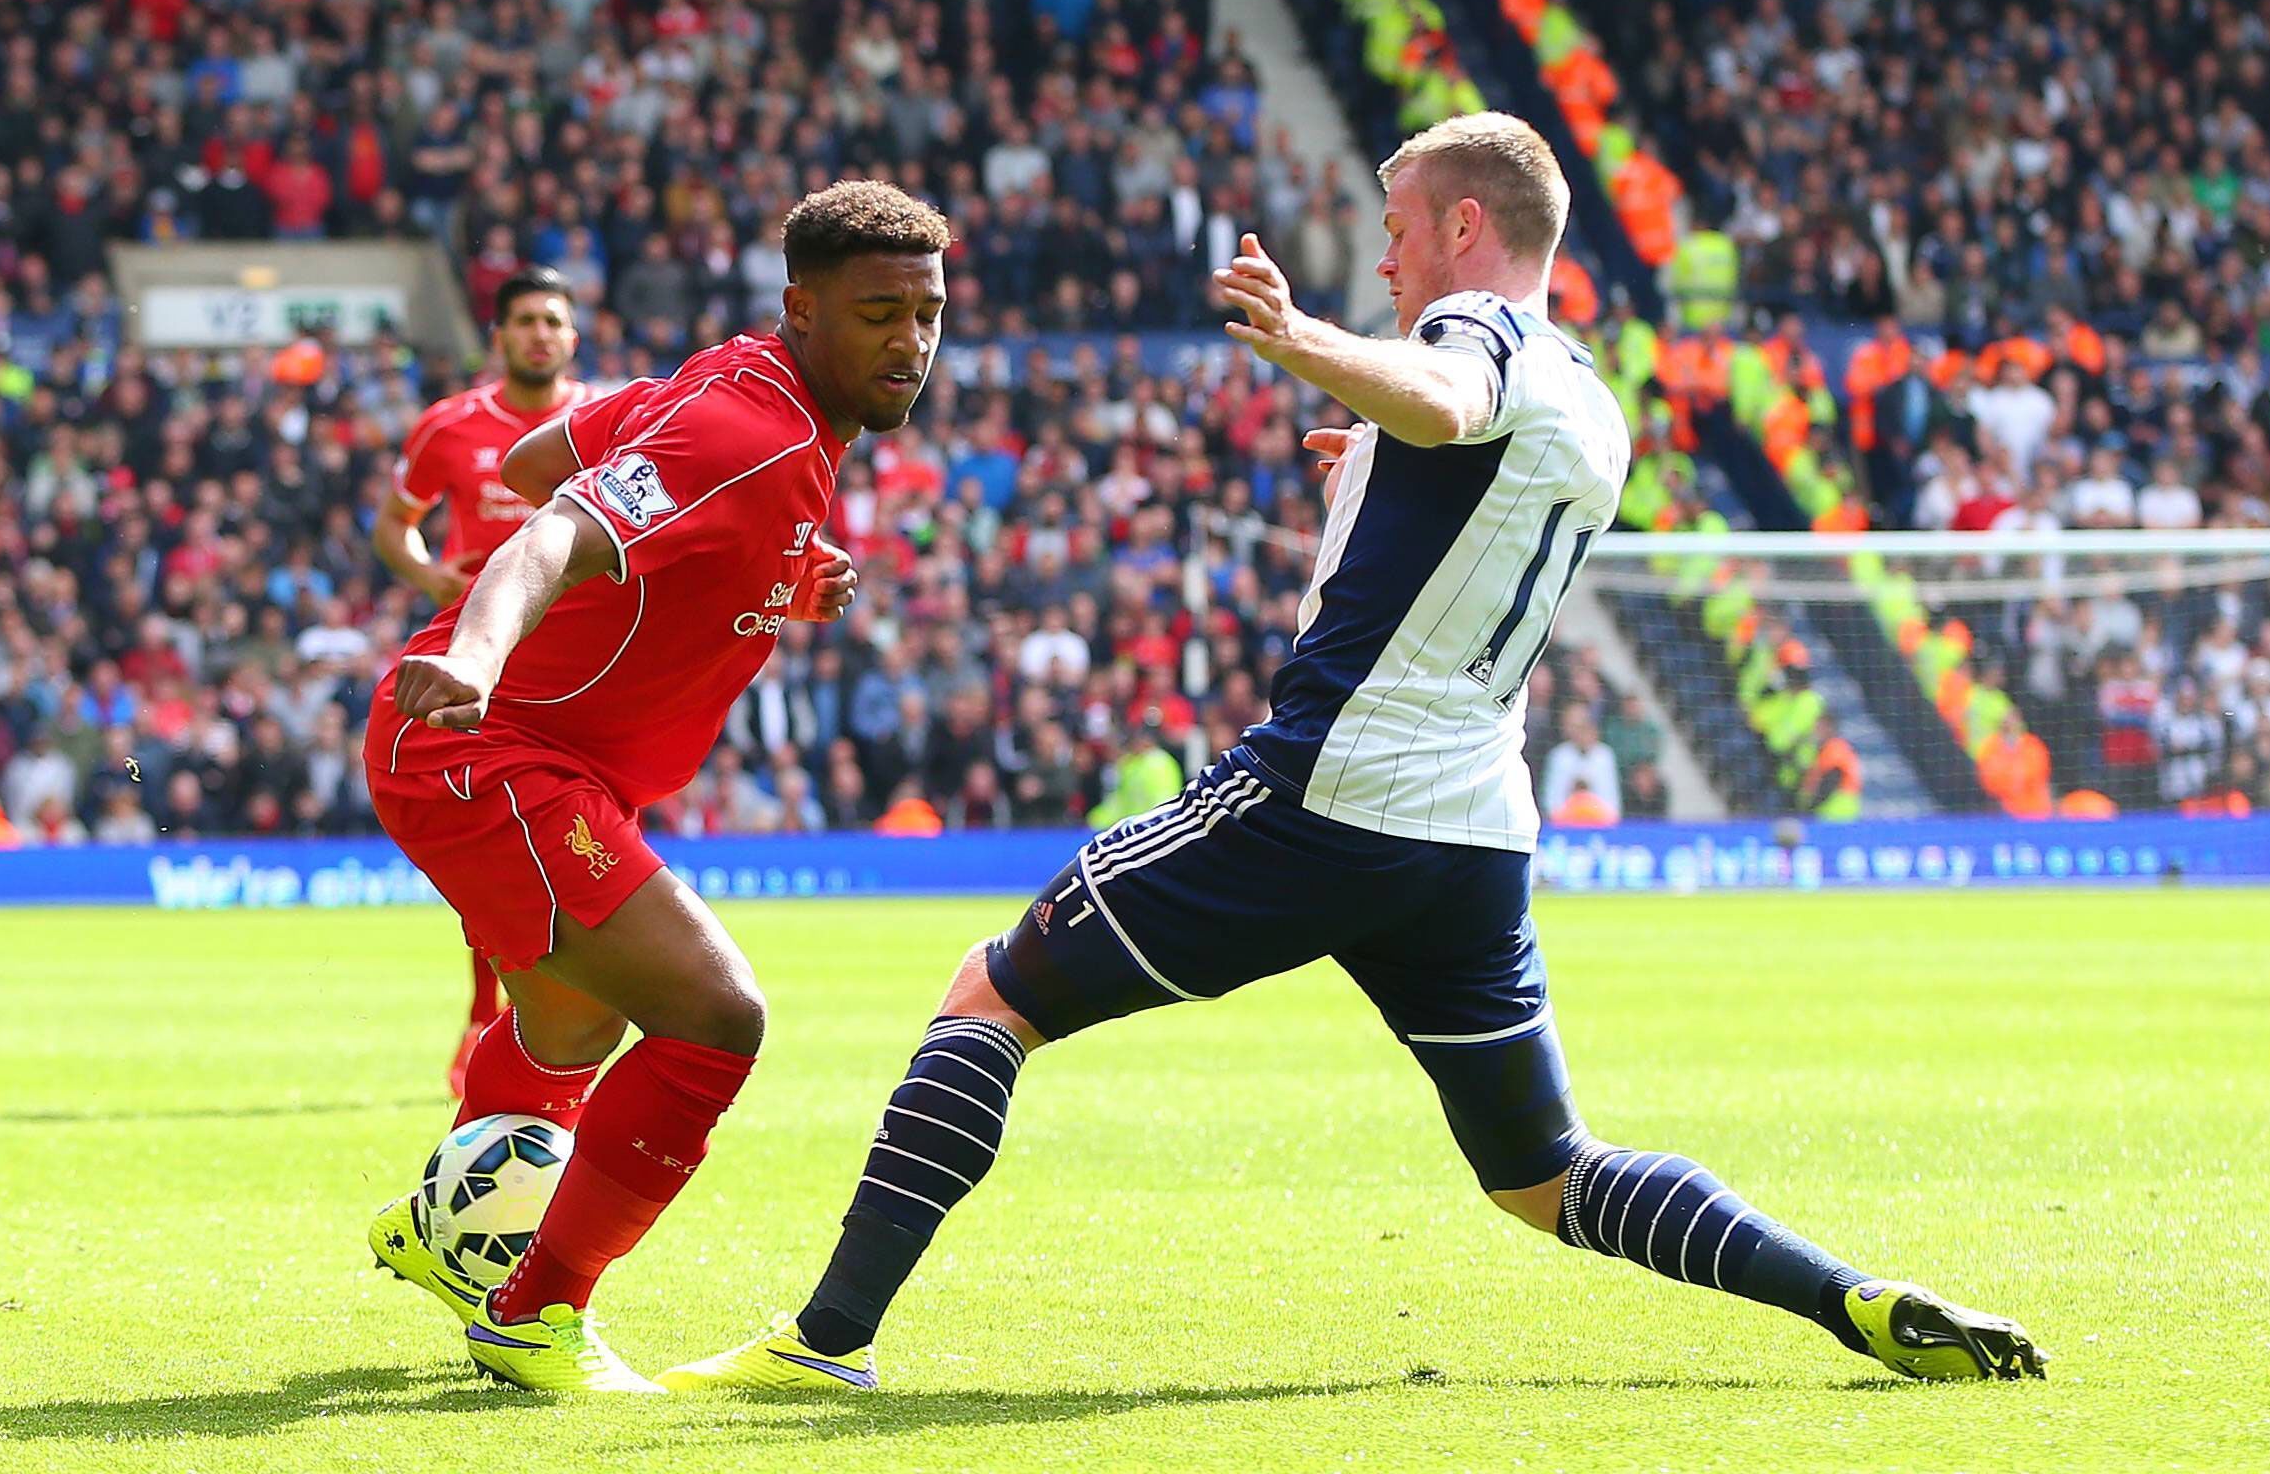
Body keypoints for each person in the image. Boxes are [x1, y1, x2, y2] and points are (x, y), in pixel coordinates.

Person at [665, 113, 2042, 1396]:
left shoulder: (1470, 330)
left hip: (1327, 792)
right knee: (1543, 1177)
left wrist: (1303, 340)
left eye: (1394, 228)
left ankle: (822, 1343)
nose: (1381, 256)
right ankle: (1848, 1300)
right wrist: (1371, 465)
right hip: (1472, 828)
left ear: (1459, 228)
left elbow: (1445, 396)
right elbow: (1457, 465)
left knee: (988, 998)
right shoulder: (1589, 397)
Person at [361, 181, 951, 1391]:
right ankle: (534, 1316)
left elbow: (532, 459)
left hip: (538, 757)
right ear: (804, 309)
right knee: (717, 1015)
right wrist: (473, 652)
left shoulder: (733, 382)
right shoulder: (747, 434)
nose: (910, 342)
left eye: (928, 312)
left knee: (573, 1027)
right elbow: (547, 530)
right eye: (878, 312)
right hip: (492, 750)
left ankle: (445, 1227)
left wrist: (779, 572)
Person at [371, 265, 597, 1099]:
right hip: (486, 663)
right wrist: (434, 583)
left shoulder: (604, 420)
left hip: (585, 660)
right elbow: (396, 527)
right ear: (498, 336)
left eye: (553, 320)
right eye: (526, 321)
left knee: (583, 833)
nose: (540, 333)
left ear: (572, 337)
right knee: (491, 839)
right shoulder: (451, 427)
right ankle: (486, 1018)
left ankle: (556, 1020)